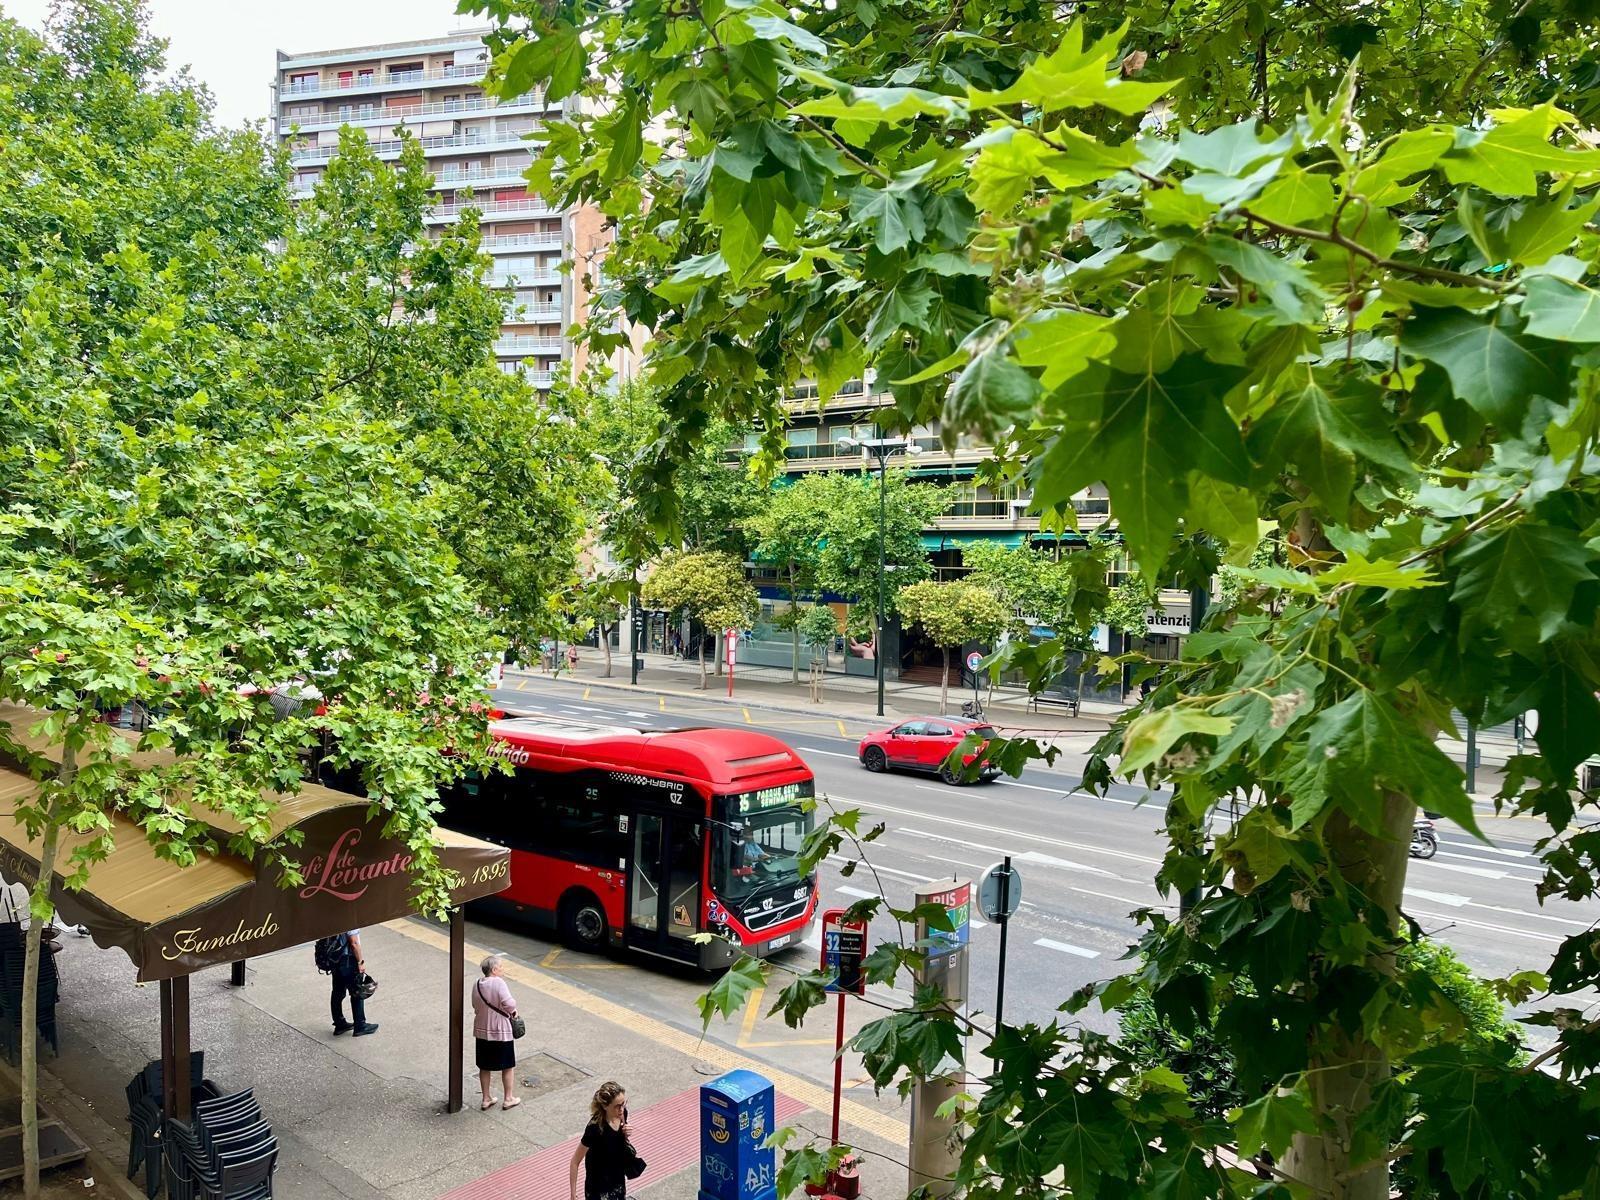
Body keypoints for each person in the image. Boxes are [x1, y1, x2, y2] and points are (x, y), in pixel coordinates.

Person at [570, 1081, 633, 1200]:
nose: (621, 1109)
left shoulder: (622, 1114)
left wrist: (626, 1133)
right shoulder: (594, 1128)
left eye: (623, 1104)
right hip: (598, 1186)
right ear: (605, 1106)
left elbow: (616, 1142)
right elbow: (574, 1162)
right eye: (617, 1106)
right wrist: (573, 1195)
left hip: (617, 1178)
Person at [331, 929, 378, 1037]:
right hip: (349, 960)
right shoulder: (349, 919)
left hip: (335, 959)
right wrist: (360, 962)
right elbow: (354, 943)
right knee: (357, 993)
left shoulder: (331, 917)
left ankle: (339, 1024)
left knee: (337, 993)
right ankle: (360, 1025)